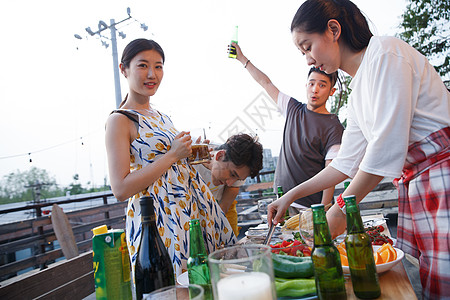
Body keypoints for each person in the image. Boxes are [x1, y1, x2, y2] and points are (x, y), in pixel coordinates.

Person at [267, 1, 450, 299]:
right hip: (423, 182)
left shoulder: (386, 53)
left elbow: (385, 149)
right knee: (435, 279)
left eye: (307, 46)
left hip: (442, 177)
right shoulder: (358, 91)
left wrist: (340, 209)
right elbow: (344, 164)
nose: (308, 60)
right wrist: (291, 195)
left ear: (333, 30)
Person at [105, 38, 236, 279]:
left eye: (158, 66)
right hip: (160, 220)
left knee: (209, 283)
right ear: (124, 69)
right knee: (179, 285)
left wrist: (192, 153)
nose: (152, 74)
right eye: (142, 65)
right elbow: (120, 188)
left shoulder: (161, 115)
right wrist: (173, 154)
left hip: (189, 211)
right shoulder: (120, 120)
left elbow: (172, 164)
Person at [231, 43, 344, 211]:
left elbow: (331, 170)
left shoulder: (333, 126)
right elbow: (266, 83)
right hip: (282, 200)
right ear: (306, 85)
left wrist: (324, 209)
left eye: (322, 85)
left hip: (311, 208)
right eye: (312, 83)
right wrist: (242, 59)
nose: (315, 90)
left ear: (331, 91)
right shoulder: (293, 108)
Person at [194, 133, 264, 236]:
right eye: (232, 174)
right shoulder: (194, 153)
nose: (230, 183)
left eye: (238, 179)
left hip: (220, 212)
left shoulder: (240, 169)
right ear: (220, 155)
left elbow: (223, 209)